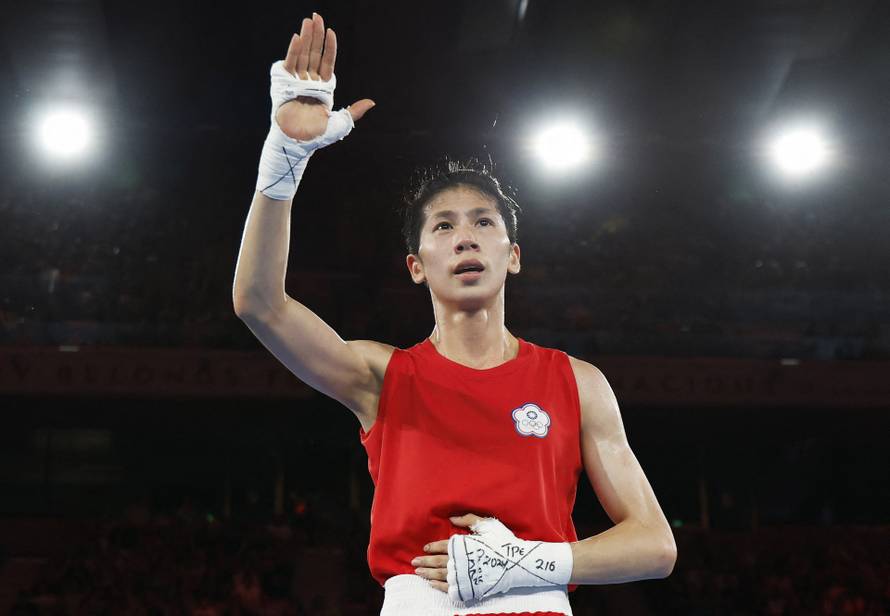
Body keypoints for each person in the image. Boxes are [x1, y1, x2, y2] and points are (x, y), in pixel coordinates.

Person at [232, 12, 677, 616]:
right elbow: (258, 303)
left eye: (483, 223)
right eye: (444, 226)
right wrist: (285, 156)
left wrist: (523, 562)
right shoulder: (383, 376)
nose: (465, 238)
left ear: (511, 256)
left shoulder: (577, 383)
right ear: (417, 265)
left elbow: (655, 545)